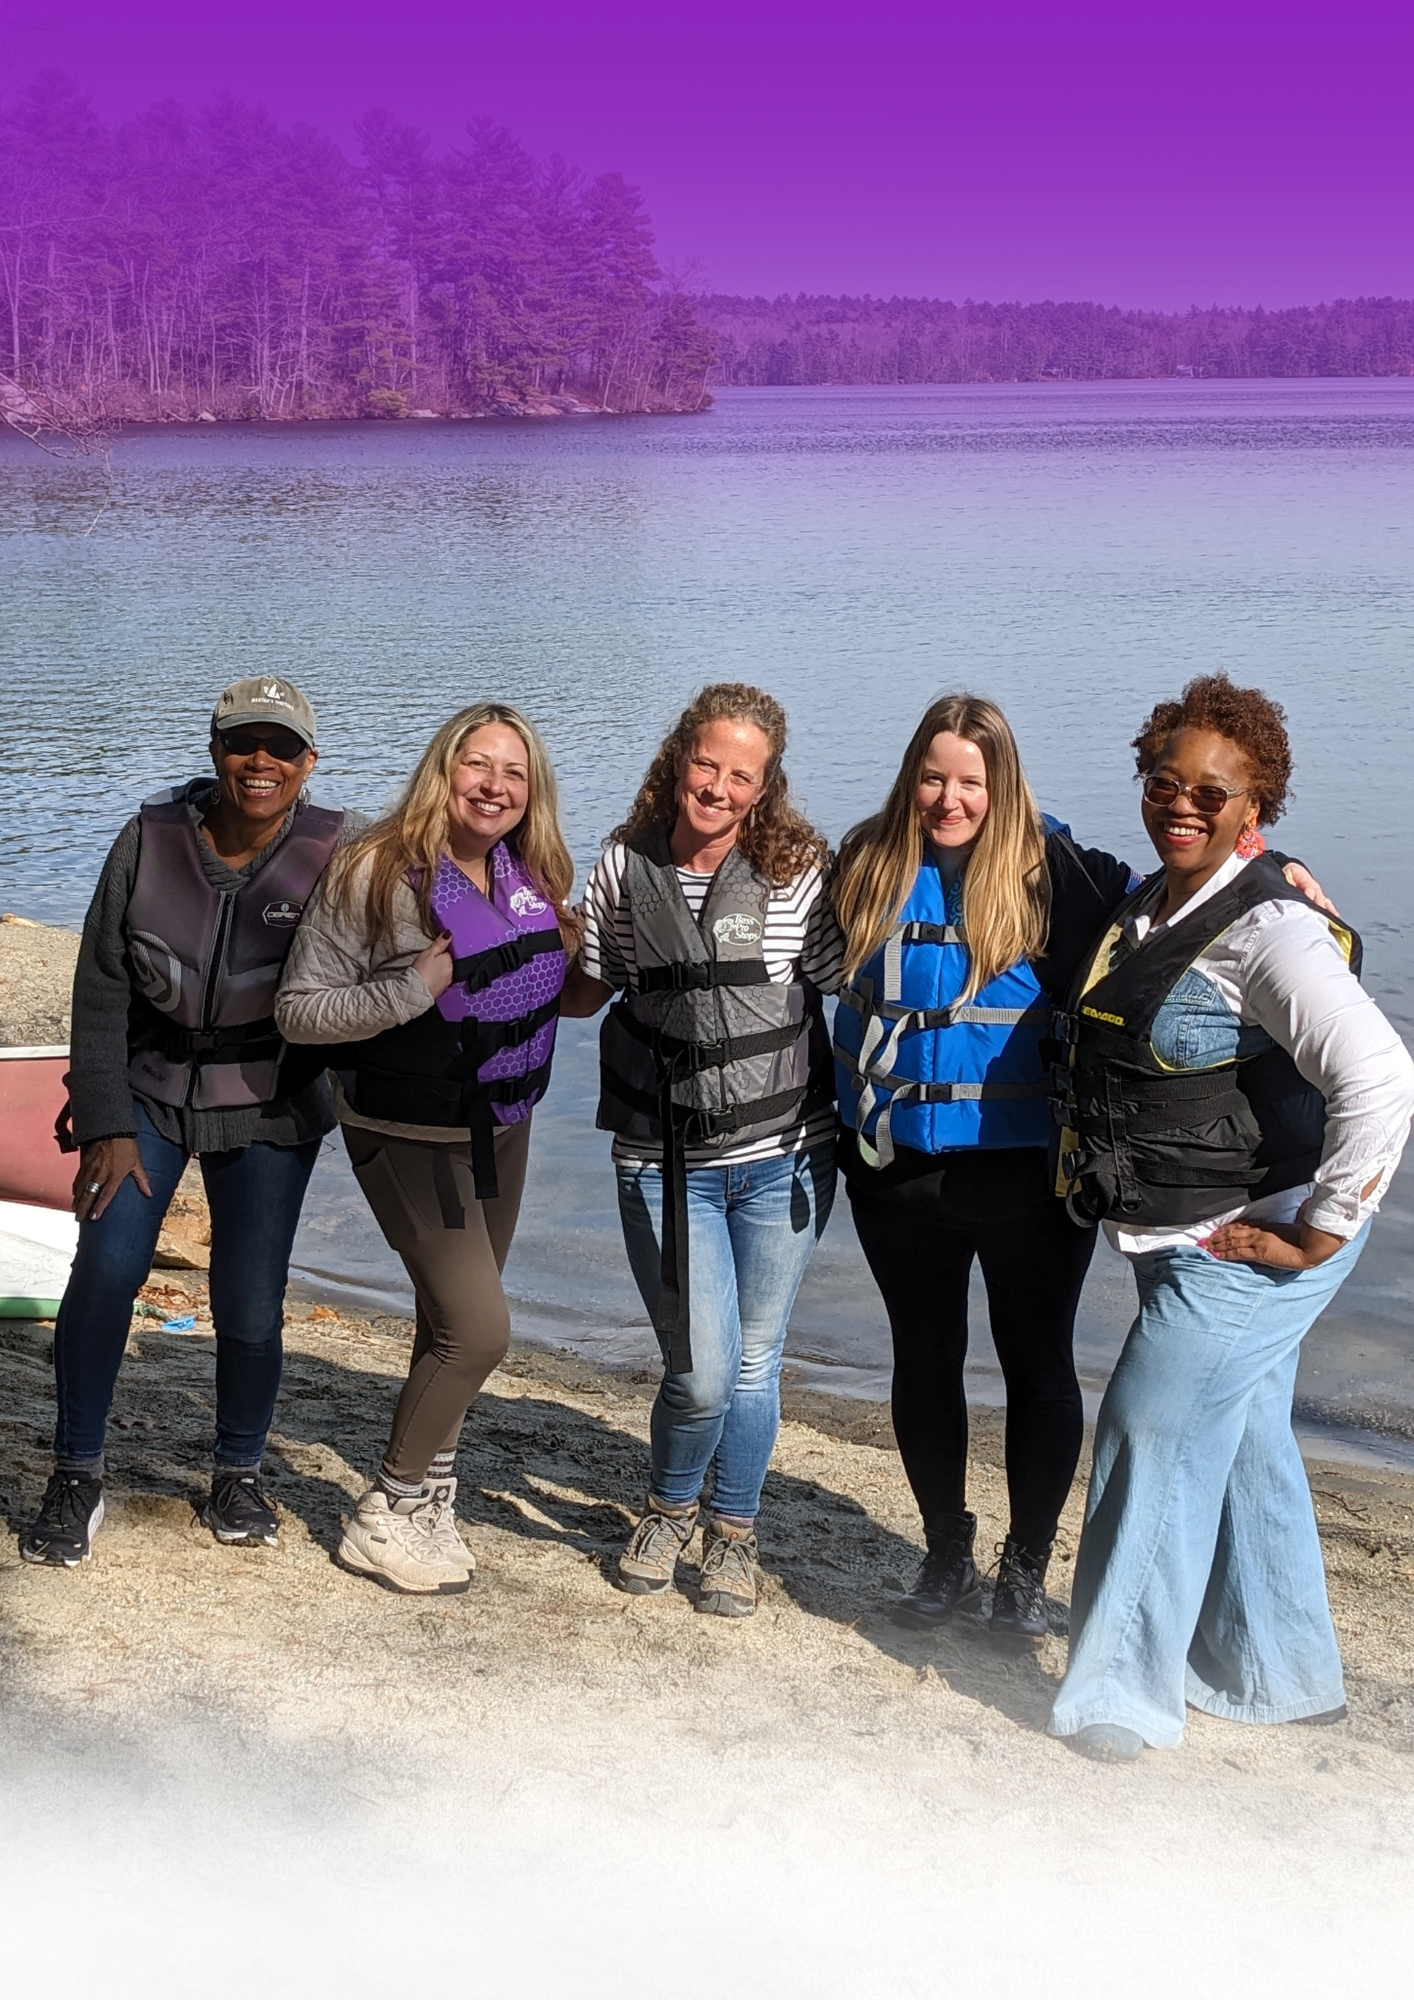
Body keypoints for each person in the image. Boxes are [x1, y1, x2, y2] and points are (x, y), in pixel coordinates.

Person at [831, 693, 1332, 1643]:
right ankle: (945, 1554)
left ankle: (1022, 1569)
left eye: (971, 781)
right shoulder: (862, 866)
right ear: (912, 777)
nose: (950, 799)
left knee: (1040, 1369)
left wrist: (1280, 870)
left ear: (1003, 782)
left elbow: (1187, 897)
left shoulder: (1065, 875)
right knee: (924, 1364)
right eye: (934, 777)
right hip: (896, 1177)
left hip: (1029, 1181)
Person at [1047, 674, 1414, 1762]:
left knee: (1146, 1433)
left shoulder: (1269, 929)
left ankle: (1119, 1694)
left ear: (1257, 806)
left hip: (1245, 1243)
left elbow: (1382, 1076)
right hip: (1183, 1228)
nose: (1185, 804)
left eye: (1215, 791)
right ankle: (1278, 1670)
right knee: (1243, 1436)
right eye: (1167, 782)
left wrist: (1323, 1228)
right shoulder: (1156, 900)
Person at [22, 676, 348, 1567]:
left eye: (282, 748)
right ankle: (78, 1471)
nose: (261, 763)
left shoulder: (340, 852)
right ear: (214, 752)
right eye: (245, 743)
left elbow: (393, 952)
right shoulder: (146, 840)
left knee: (248, 1298)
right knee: (109, 1266)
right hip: (147, 1092)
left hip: (272, 1103)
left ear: (308, 764)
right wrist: (104, 1120)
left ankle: (237, 1470)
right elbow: (98, 988)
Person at [276, 703, 574, 1595]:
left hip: (502, 1125)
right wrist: (415, 983)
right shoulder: (375, 872)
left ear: (532, 791)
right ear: (441, 771)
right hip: (405, 1131)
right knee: (480, 1331)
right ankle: (386, 1508)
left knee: (447, 1326)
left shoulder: (532, 870)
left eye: (513, 774)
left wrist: (592, 962)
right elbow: (300, 1009)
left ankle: (430, 1501)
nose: (493, 787)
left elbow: (547, 993)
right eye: (475, 766)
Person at [561, 683, 841, 1618]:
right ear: (678, 757)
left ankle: (732, 1531)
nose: (717, 787)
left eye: (741, 775)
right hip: (662, 1161)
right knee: (700, 1368)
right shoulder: (619, 867)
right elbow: (579, 993)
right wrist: (503, 931)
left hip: (787, 1154)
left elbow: (858, 974)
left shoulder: (802, 869)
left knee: (756, 1363)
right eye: (707, 763)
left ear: (765, 788)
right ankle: (667, 1508)